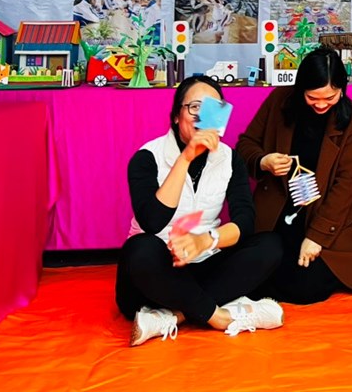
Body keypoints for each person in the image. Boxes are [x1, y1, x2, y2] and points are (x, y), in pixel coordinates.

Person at [116, 76, 284, 346]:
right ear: (175, 116)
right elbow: (152, 221)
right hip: (156, 273)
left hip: (206, 262)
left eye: (212, 109)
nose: (202, 117)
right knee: (139, 249)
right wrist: (186, 158)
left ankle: (175, 316)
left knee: (270, 245)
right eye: (194, 107)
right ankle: (220, 315)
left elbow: (245, 221)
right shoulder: (146, 157)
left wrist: (205, 241)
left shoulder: (230, 158)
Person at [236, 47, 352, 304]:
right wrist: (263, 161)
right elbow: (246, 144)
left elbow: (345, 184)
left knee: (306, 286)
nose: (321, 105)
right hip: (278, 212)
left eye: (330, 97)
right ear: (300, 88)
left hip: (324, 214)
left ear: (342, 90)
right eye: (312, 97)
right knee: (254, 272)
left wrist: (316, 237)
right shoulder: (280, 100)